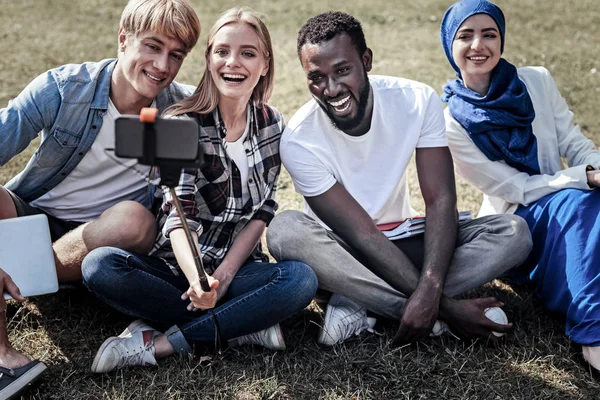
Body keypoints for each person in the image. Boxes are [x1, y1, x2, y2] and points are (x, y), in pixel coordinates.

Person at [266, 11, 532, 347]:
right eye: (316, 77)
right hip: (341, 254)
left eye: (342, 70)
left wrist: (431, 287)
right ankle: (419, 311)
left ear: (366, 60)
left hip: (404, 242)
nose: (331, 89)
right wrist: (449, 308)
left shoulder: (417, 100)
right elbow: (359, 232)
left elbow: (440, 201)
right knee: (284, 230)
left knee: (514, 233)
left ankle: (362, 303)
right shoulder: (299, 139)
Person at [81, 7, 318, 374]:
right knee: (99, 266)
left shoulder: (273, 125)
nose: (232, 62)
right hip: (176, 271)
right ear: (209, 60)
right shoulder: (180, 123)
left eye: (247, 53)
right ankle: (243, 326)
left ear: (265, 64)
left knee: (300, 280)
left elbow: (263, 212)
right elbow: (178, 216)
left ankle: (162, 343)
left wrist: (221, 280)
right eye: (222, 51)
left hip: (236, 270)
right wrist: (198, 281)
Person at [0, 0, 200, 396]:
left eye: (175, 55)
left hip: (106, 243)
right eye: (152, 47)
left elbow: (245, 112)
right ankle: (2, 354)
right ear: (123, 39)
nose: (162, 65)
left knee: (134, 219)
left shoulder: (178, 112)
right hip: (33, 219)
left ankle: (22, 277)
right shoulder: (64, 90)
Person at [440, 0, 600, 374]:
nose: (478, 45)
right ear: (450, 44)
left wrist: (596, 168)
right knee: (578, 204)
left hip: (568, 199)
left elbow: (574, 145)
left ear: (502, 40)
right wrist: (583, 178)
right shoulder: (451, 124)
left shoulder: (536, 81)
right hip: (518, 223)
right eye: (466, 36)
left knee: (587, 202)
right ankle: (592, 334)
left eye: (489, 34)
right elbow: (516, 189)